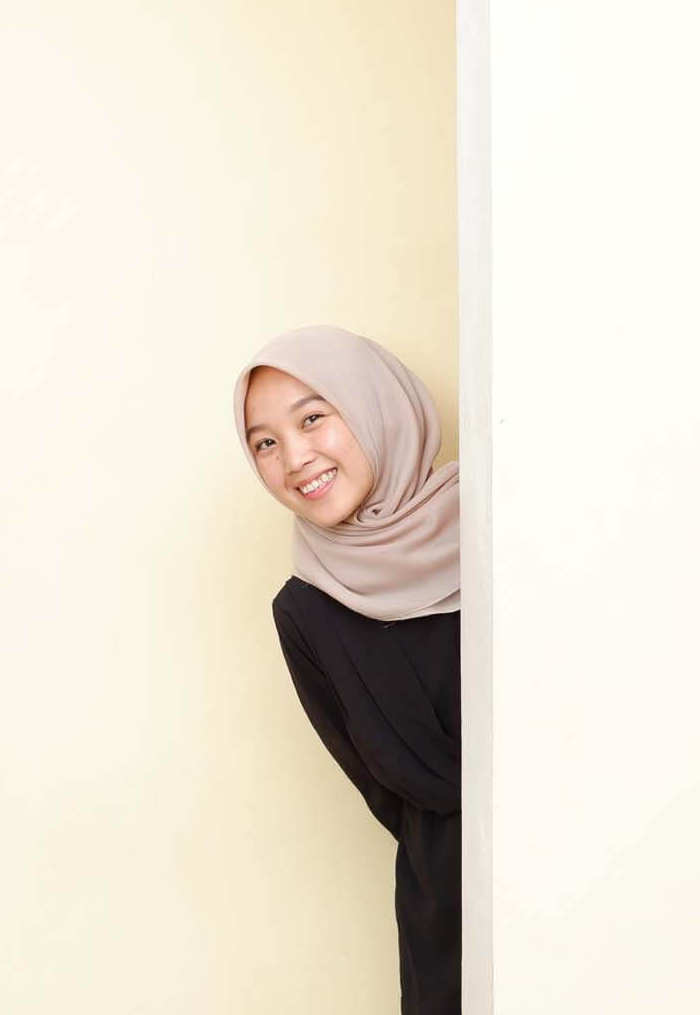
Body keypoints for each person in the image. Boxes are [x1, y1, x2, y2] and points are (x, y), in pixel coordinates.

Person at [234, 326, 461, 1015]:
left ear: (375, 404)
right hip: (448, 924)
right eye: (264, 442)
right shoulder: (305, 613)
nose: (294, 458)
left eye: (311, 418)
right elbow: (389, 796)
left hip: (590, 885)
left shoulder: (505, 528)